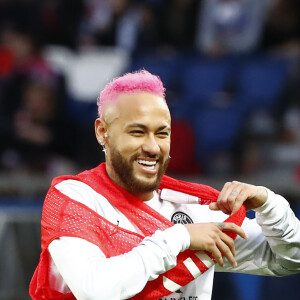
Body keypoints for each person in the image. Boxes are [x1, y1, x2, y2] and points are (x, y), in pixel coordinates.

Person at [30, 70, 300, 300]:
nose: (152, 147)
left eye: (162, 133)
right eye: (137, 132)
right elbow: (96, 290)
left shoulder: (197, 207)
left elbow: (289, 261)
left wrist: (268, 203)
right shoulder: (76, 198)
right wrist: (180, 238)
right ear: (103, 132)